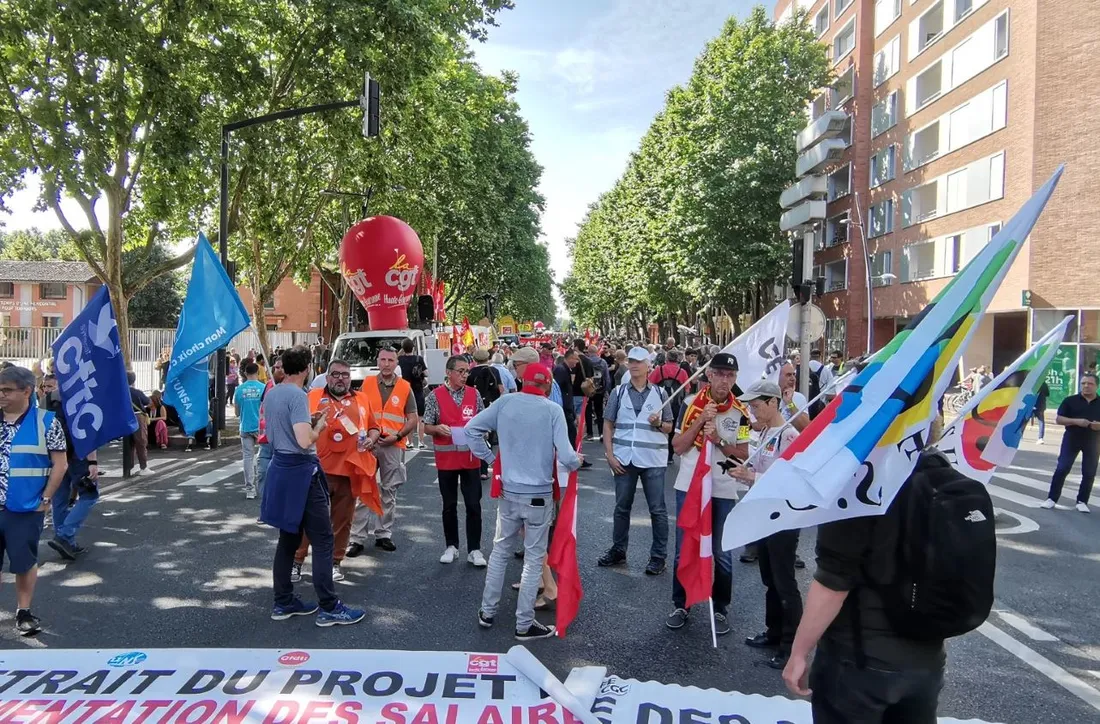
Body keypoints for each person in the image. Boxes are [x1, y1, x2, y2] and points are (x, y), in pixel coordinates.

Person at [782, 460, 948, 723]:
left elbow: (833, 584)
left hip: (859, 659)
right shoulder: (943, 476)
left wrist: (799, 652)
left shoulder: (858, 486)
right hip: (927, 658)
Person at [469, 363, 582, 641]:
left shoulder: (505, 402)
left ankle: (487, 612)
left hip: (508, 491)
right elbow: (567, 456)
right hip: (538, 495)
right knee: (533, 559)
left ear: (522, 381)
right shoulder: (552, 410)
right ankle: (524, 623)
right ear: (547, 385)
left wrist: (492, 460)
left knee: (499, 552)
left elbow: (471, 430)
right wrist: (577, 461)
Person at [259, 345, 365, 626]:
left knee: (288, 538)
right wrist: (320, 426)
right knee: (323, 539)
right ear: (307, 368)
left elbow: (273, 431)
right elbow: (305, 440)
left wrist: (310, 421)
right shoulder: (298, 395)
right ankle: (329, 606)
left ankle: (283, 601)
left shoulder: (273, 392)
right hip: (302, 470)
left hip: (280, 467)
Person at [665, 352, 750, 634]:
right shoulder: (690, 404)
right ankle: (681, 604)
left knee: (721, 553)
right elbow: (678, 446)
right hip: (690, 486)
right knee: (684, 549)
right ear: (709, 375)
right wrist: (701, 420)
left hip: (723, 488)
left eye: (730, 375)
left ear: (735, 378)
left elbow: (743, 454)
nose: (724, 380)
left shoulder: (741, 412)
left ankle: (720, 609)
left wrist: (719, 440)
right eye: (720, 374)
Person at [728, 380, 803, 668]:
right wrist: (744, 470)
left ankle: (791, 646)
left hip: (783, 516)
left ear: (773, 403)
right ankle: (774, 632)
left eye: (757, 405)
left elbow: (791, 482)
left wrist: (752, 477)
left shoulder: (790, 435)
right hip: (763, 514)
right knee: (769, 578)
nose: (753, 411)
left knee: (784, 581)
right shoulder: (766, 432)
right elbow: (761, 466)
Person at [293, 359, 381, 582]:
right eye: (336, 374)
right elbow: (297, 427)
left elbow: (374, 428)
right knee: (307, 518)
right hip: (315, 469)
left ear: (350, 378)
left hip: (349, 470)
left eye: (345, 375)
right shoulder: (312, 396)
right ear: (327, 377)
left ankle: (334, 562)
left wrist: (371, 440)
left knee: (342, 521)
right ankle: (297, 561)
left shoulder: (362, 399)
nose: (340, 378)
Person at [0, 365, 67, 634]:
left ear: (27, 391)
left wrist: (46, 499)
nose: (1, 395)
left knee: (24, 562)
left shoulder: (47, 422)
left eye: (7, 390)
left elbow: (60, 464)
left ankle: (23, 611)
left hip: (25, 508)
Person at [599, 346, 673, 575]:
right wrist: (610, 455)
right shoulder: (619, 392)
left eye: (639, 362)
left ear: (648, 366)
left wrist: (659, 423)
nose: (633, 365)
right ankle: (618, 550)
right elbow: (608, 425)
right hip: (624, 459)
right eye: (631, 361)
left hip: (653, 460)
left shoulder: (660, 393)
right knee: (621, 508)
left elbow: (669, 427)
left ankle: (658, 557)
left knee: (657, 510)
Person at [349, 348, 417, 555]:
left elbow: (413, 418)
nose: (386, 364)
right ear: (377, 361)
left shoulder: (405, 387)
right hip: (369, 444)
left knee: (389, 491)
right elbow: (358, 411)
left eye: (390, 360)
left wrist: (397, 436)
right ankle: (356, 538)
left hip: (392, 444)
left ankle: (383, 534)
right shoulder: (367, 384)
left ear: (397, 362)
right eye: (383, 360)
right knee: (363, 490)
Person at [422, 355, 487, 566]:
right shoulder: (435, 396)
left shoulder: (474, 394)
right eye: (461, 371)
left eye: (467, 371)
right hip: (447, 459)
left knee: (473, 505)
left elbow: (483, 421)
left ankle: (475, 549)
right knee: (449, 505)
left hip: (471, 459)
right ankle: (451, 546)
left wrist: (482, 432)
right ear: (448, 373)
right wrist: (437, 429)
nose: (465, 375)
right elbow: (426, 426)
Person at [40, 374, 97, 562]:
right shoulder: (81, 397)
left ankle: (66, 541)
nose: (47, 388)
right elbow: (88, 432)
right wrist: (93, 462)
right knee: (90, 495)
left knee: (59, 499)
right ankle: (65, 535)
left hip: (54, 456)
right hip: (77, 456)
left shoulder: (46, 400)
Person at [1040, 372, 1100, 512]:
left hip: (1094, 440)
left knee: (1089, 472)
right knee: (1062, 468)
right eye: (1083, 383)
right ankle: (1052, 499)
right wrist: (1076, 421)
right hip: (1072, 438)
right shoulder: (1070, 400)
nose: (1086, 386)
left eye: (1090, 384)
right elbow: (1059, 419)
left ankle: (1082, 501)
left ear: (1096, 386)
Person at [650, 349, 690, 464]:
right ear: (678, 359)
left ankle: (656, 452)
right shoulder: (682, 372)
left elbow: (649, 384)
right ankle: (669, 456)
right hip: (676, 405)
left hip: (660, 404)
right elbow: (687, 389)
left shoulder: (659, 370)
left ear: (666, 358)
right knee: (672, 430)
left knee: (657, 426)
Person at [234, 362, 266, 499]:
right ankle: (263, 486)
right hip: (261, 428)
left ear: (245, 373)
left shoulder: (239, 389)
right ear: (258, 372)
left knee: (248, 457)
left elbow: (236, 412)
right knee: (263, 457)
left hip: (245, 426)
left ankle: (250, 489)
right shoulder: (264, 388)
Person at [397, 339, 428, 449]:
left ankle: (409, 442)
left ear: (403, 348)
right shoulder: (418, 359)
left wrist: (401, 351)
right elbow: (426, 373)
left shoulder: (400, 359)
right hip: (418, 389)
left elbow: (395, 358)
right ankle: (421, 442)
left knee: (408, 417)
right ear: (413, 347)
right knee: (420, 417)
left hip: (405, 390)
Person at [553, 351, 581, 454]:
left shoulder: (564, 369)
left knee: (571, 433)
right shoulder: (561, 370)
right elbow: (556, 389)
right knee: (570, 433)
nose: (577, 362)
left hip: (566, 407)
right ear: (570, 358)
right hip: (563, 407)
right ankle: (571, 456)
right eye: (575, 359)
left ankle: (572, 455)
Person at [127, 371, 154, 475]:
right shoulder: (136, 392)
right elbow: (147, 401)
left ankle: (128, 466)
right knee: (141, 442)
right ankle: (143, 467)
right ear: (134, 380)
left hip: (126, 418)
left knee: (129, 443)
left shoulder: (121, 392)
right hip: (138, 417)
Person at [584, 344, 610, 441]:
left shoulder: (586, 362)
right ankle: (601, 433)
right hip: (600, 390)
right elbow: (606, 377)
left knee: (588, 411)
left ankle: (590, 434)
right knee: (599, 411)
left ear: (588, 352)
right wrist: (606, 389)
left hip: (588, 389)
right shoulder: (602, 362)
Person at [778, 362, 812, 432]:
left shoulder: (799, 397)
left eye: (794, 374)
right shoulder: (767, 397)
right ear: (777, 377)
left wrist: (790, 403)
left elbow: (805, 428)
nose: (793, 378)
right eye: (788, 375)